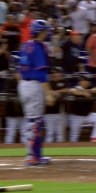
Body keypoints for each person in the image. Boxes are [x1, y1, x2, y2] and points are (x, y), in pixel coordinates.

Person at [18, 19, 53, 166]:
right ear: (40, 31)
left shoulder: (26, 45)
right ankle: (32, 157)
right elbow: (41, 74)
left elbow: (19, 70)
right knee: (35, 123)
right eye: (45, 30)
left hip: (24, 85)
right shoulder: (38, 47)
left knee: (33, 121)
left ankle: (34, 155)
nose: (47, 33)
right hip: (34, 86)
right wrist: (49, 93)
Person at [66, 74, 96, 142]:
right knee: (74, 137)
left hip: (87, 115)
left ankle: (94, 137)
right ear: (79, 82)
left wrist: (88, 91)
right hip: (76, 116)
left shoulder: (91, 88)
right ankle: (71, 150)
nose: (86, 82)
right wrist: (84, 93)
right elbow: (72, 91)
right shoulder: (76, 88)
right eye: (83, 81)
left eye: (87, 81)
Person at [44, 67, 69, 143]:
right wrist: (52, 92)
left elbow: (67, 90)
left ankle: (60, 152)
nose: (56, 74)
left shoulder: (64, 82)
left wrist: (57, 91)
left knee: (60, 134)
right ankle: (48, 151)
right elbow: (45, 91)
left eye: (58, 72)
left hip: (60, 111)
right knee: (50, 133)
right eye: (54, 73)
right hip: (49, 112)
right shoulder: (48, 83)